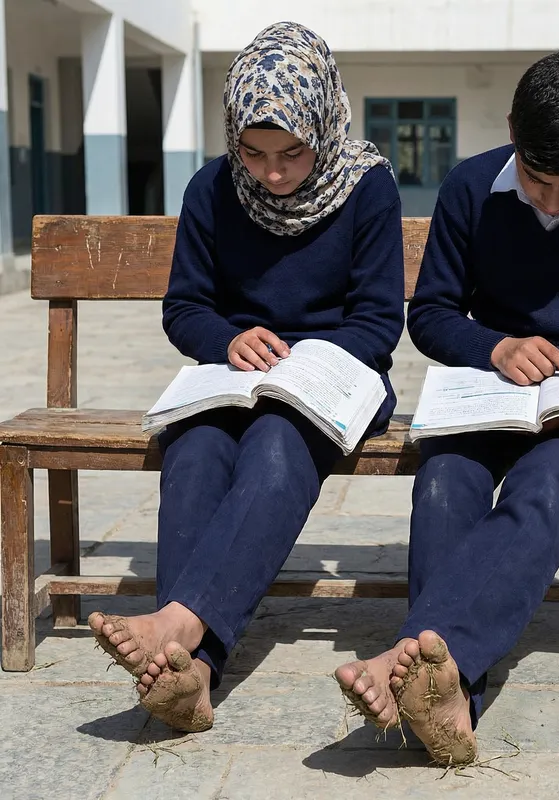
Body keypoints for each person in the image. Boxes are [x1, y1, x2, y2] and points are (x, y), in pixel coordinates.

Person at [335, 51, 559, 765]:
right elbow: (432, 313)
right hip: (490, 390)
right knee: (446, 481)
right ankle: (451, 695)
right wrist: (494, 347)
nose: (555, 201)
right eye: (538, 180)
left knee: (548, 482)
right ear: (511, 134)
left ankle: (420, 660)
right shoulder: (471, 186)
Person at [88, 21, 404, 733]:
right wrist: (228, 339)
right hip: (232, 377)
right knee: (194, 452)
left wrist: (305, 356)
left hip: (339, 381)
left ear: (323, 119)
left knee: (274, 442)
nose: (274, 173)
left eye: (293, 152)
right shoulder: (211, 188)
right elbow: (185, 308)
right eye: (254, 153)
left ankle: (175, 628)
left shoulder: (368, 187)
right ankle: (191, 677)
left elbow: (380, 322)